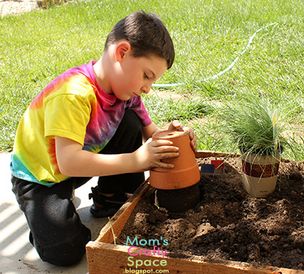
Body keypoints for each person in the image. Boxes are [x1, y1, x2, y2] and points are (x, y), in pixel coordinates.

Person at [10, 10, 196, 266]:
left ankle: (110, 199)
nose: (147, 88)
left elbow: (150, 132)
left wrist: (176, 137)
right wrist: (135, 160)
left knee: (131, 122)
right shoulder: (73, 94)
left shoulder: (126, 93)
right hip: (42, 176)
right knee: (65, 252)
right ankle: (41, 220)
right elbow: (68, 163)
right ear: (122, 52)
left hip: (79, 162)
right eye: (147, 76)